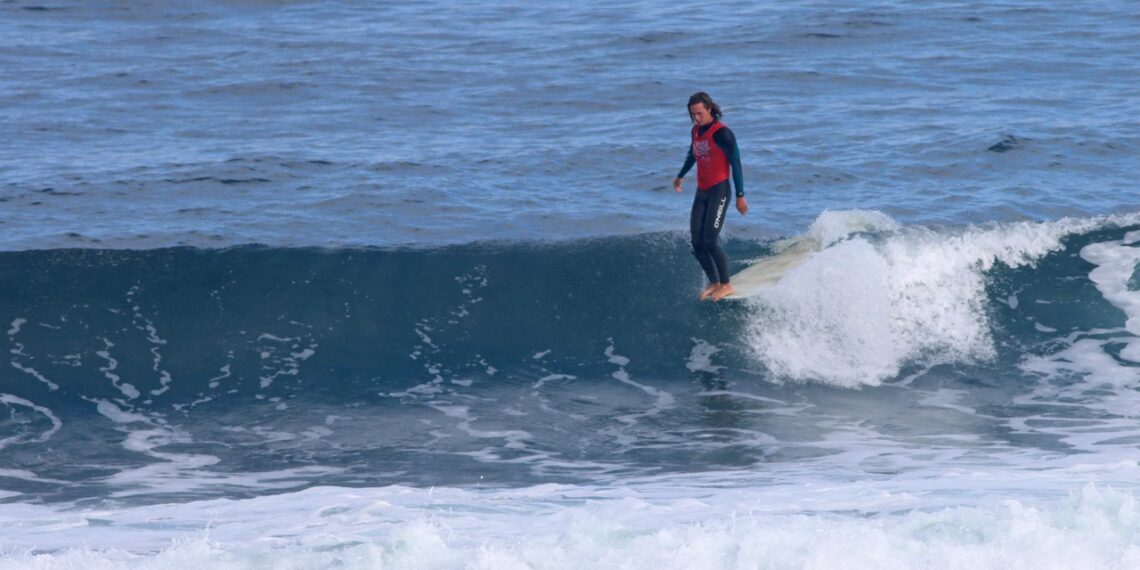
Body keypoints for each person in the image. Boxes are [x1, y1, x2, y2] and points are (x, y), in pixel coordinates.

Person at [673, 92, 748, 301]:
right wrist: (680, 175)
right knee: (697, 244)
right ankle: (714, 282)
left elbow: (736, 163)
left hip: (719, 190)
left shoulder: (723, 134)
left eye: (699, 113)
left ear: (709, 108)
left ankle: (726, 284)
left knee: (710, 240)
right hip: (702, 191)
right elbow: (692, 155)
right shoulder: (695, 131)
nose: (696, 118)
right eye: (692, 114)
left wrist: (741, 195)